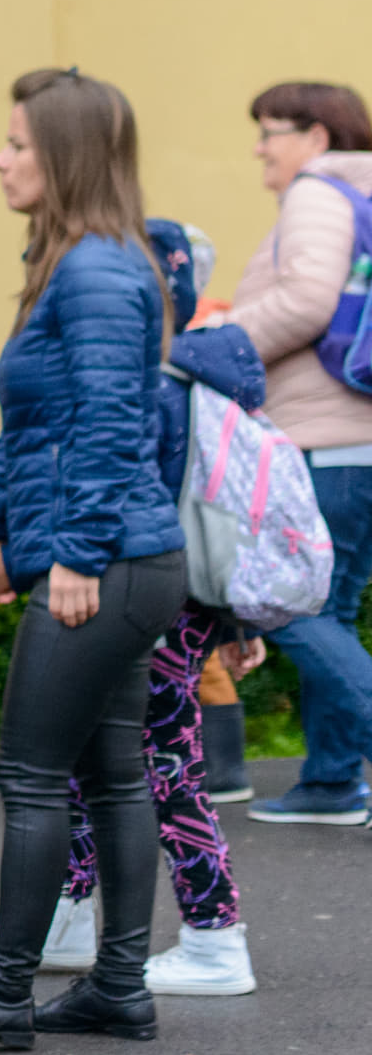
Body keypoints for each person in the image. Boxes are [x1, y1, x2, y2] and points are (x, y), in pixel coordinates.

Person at [0, 67, 187, 1048]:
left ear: (63, 156)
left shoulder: (98, 269)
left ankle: (5, 990)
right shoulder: (74, 263)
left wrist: (71, 556)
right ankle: (118, 986)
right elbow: (33, 427)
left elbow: (111, 427)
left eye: (17, 143)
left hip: (107, 563)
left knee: (30, 772)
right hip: (118, 558)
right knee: (113, 775)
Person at [0, 220, 269, 998]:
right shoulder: (176, 382)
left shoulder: (153, 390)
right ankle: (68, 911)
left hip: (146, 596)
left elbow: (153, 503)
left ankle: (214, 935)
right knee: (95, 769)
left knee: (157, 773)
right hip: (177, 600)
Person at [203, 81, 372, 826]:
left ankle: (338, 777)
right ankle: (333, 783)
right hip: (357, 445)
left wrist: (217, 344)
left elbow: (306, 300)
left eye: (270, 130)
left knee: (288, 606)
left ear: (316, 135)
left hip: (324, 443)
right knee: (330, 607)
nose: (259, 148)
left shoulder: (318, 189)